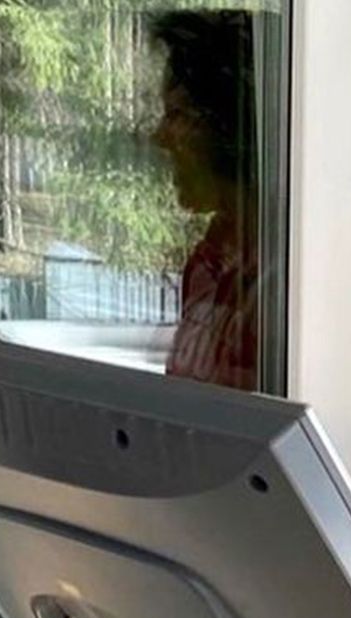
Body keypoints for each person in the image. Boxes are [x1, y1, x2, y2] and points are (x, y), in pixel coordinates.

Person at [150, 10, 267, 392]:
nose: (160, 137)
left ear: (230, 128)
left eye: (178, 115)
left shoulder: (288, 286)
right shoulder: (208, 263)